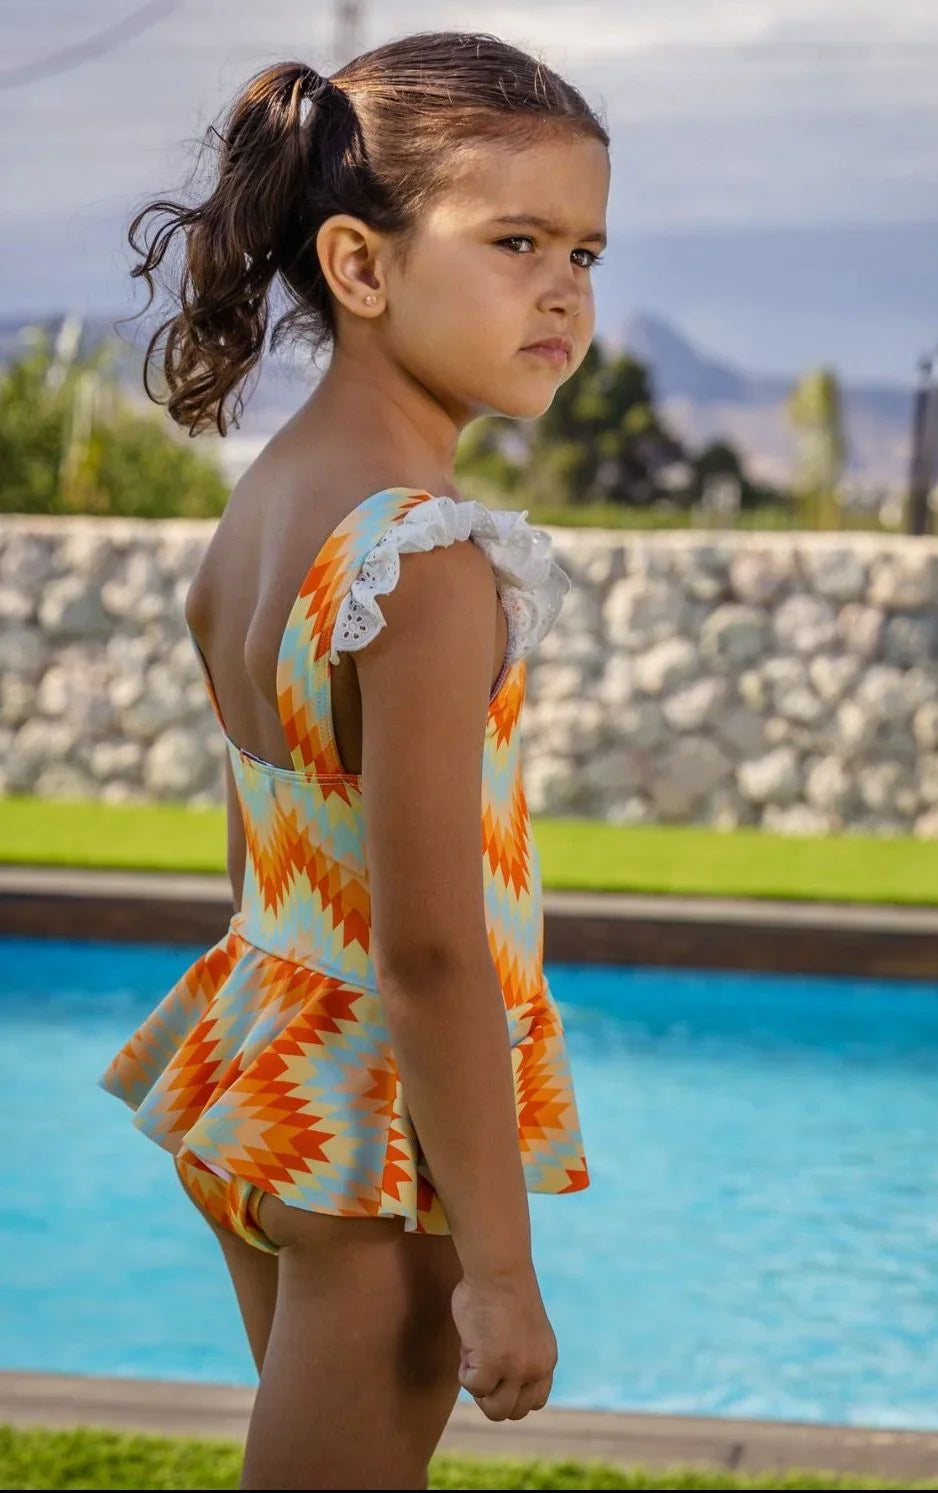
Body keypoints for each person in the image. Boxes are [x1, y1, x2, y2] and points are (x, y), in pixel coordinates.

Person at [99, 29, 608, 1490]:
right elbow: (437, 950)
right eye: (515, 241)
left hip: (267, 1073)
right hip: (376, 1146)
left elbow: (267, 832)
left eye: (585, 250)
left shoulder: (274, 501)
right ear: (362, 266)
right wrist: (499, 1269)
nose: (563, 289)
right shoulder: (423, 560)